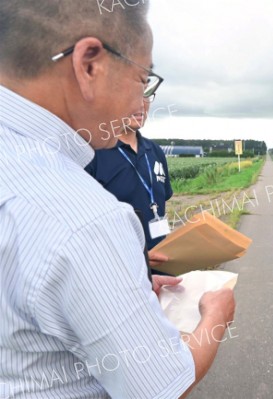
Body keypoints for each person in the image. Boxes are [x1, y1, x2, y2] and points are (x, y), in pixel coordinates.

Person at [0, 2, 234, 398]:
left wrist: (122, 285)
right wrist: (216, 316)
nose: (142, 99)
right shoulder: (87, 220)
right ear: (90, 64)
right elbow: (162, 388)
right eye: (143, 79)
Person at [85, 92, 172, 271]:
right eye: (132, 94)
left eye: (146, 95)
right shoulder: (91, 153)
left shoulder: (154, 151)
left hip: (163, 266)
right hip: (120, 272)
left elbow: (160, 204)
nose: (141, 104)